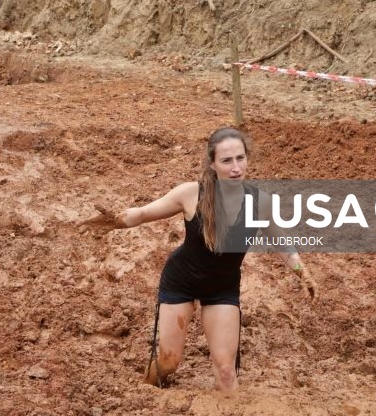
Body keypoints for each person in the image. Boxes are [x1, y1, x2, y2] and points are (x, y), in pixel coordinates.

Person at [78, 127, 318, 393]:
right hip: (182, 280)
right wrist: (117, 220)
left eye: (240, 158)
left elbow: (280, 241)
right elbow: (145, 213)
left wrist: (301, 270)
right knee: (169, 362)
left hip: (222, 287)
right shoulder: (191, 194)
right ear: (213, 164)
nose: (236, 167)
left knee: (226, 372)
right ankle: (145, 395)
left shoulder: (260, 202)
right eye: (227, 161)